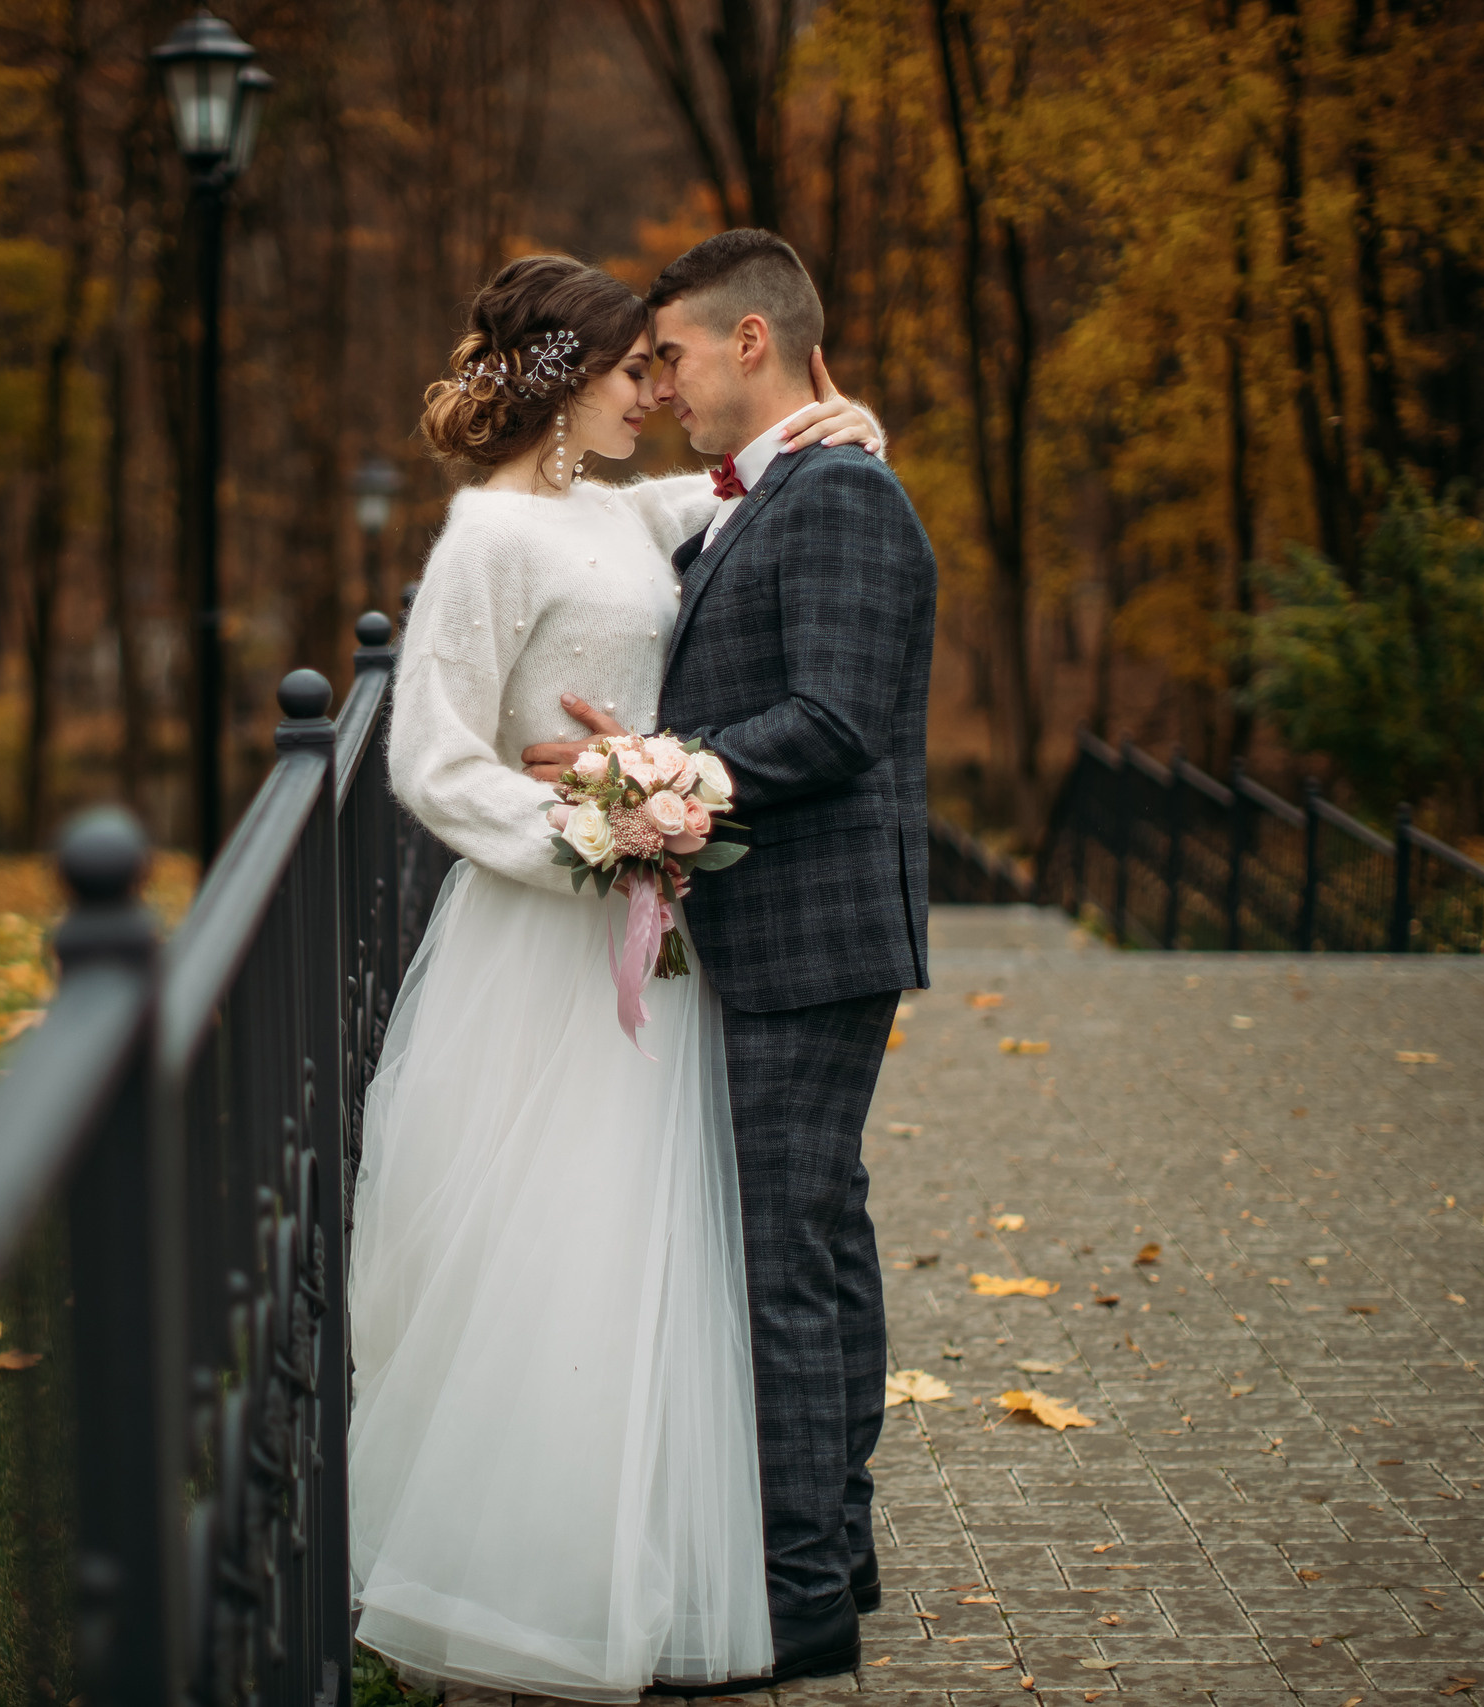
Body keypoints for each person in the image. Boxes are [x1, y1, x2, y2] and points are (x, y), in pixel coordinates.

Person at [346, 251, 887, 1703]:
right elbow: (431, 758)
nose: (656, 389)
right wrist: (587, 835)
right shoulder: (486, 541)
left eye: (666, 365)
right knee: (549, 1243)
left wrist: (859, 422)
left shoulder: (630, 513)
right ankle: (526, 1567)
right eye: (633, 369)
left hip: (664, 923)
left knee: (663, 1252)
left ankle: (662, 1549)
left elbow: (780, 495)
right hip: (557, 923)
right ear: (568, 380)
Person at [520, 229, 937, 1689]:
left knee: (780, 1259)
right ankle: (837, 1540)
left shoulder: (840, 499)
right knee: (818, 1237)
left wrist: (657, 771)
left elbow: (833, 720)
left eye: (679, 356)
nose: (668, 383)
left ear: (751, 342)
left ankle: (799, 1590)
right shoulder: (771, 495)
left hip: (812, 936)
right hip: (792, 929)